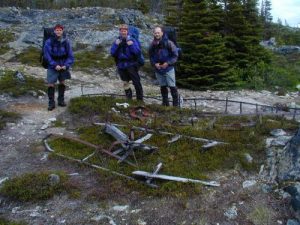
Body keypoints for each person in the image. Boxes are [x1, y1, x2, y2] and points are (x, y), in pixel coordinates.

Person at [43, 24, 74, 111]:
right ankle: (51, 103)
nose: (58, 31)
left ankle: (61, 100)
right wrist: (54, 65)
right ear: (54, 31)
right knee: (51, 83)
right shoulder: (49, 42)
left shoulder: (66, 41)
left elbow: (70, 55)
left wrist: (66, 65)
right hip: (52, 66)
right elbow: (47, 56)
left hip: (63, 65)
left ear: (62, 31)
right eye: (57, 30)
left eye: (60, 30)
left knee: (62, 82)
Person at [110, 24, 144, 101]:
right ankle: (129, 98)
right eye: (121, 31)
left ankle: (140, 99)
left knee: (136, 82)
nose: (123, 32)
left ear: (127, 31)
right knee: (125, 82)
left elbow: (137, 52)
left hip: (131, 64)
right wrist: (116, 45)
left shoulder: (132, 40)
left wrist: (131, 45)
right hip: (121, 65)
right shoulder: (117, 41)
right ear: (119, 31)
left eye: (124, 31)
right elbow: (112, 53)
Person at [149, 26, 179, 106]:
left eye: (158, 33)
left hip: (168, 68)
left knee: (172, 86)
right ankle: (165, 103)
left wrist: (168, 63)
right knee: (163, 86)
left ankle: (176, 105)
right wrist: (155, 64)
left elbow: (175, 55)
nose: (157, 34)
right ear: (153, 34)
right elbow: (151, 56)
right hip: (158, 68)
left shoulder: (169, 43)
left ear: (162, 33)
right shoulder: (152, 44)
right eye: (155, 33)